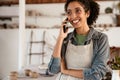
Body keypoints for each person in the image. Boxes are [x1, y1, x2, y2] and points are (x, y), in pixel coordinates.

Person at [47, 0, 110, 80]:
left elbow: (97, 74)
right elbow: (53, 69)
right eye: (69, 12)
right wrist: (60, 37)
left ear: (87, 13)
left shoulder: (101, 39)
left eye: (78, 11)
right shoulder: (65, 39)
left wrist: (66, 71)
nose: (73, 16)